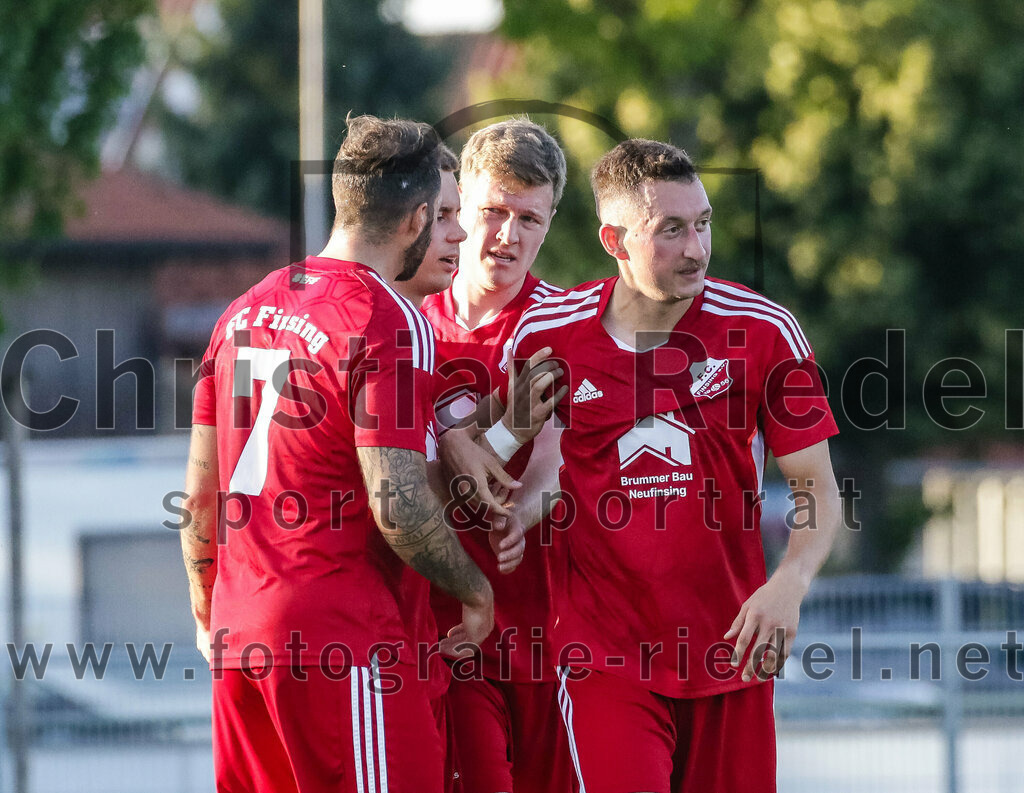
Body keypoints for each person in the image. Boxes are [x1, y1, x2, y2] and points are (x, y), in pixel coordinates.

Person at [180, 115, 514, 793]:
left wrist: (208, 609)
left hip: (240, 634)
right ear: (415, 217)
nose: (455, 233)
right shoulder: (388, 317)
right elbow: (398, 504)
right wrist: (475, 591)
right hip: (342, 642)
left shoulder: (244, 308)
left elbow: (199, 498)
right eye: (444, 216)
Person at [505, 138, 842, 793]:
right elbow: (493, 443)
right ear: (614, 239)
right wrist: (473, 453)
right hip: (606, 660)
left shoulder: (764, 331)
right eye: (671, 230)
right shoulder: (552, 334)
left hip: (732, 653)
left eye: (703, 224)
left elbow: (816, 488)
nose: (696, 248)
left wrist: (791, 580)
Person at [420, 119, 577, 793]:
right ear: (457, 210)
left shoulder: (565, 323)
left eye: (529, 218)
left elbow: (556, 452)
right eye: (492, 211)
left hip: (549, 628)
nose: (508, 235)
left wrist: (526, 508)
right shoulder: (411, 322)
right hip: (450, 626)